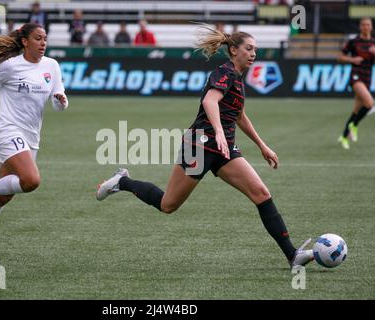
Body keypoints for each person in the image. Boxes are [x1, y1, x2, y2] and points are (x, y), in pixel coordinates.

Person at [96, 25, 313, 269]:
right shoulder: (225, 72)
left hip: (224, 149)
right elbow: (210, 101)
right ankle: (122, 181)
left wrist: (262, 145)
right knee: (168, 205)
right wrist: (219, 131)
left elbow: (239, 116)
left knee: (261, 194)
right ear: (233, 50)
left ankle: (293, 255)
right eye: (249, 49)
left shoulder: (238, 79)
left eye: (256, 50)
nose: (254, 53)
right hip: (198, 145)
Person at [0, 22, 69, 256]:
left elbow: (59, 104)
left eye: (45, 38)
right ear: (25, 41)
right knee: (31, 180)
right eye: (38, 38)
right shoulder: (10, 66)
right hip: (8, 130)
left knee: (5, 195)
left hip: (31, 136)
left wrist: (61, 100)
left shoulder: (52, 66)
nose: (43, 43)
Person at [337, 17, 375, 150]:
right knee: (370, 104)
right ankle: (354, 125)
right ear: (360, 27)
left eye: (368, 25)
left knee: (356, 110)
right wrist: (352, 59)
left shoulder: (373, 44)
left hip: (367, 78)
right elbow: (340, 57)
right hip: (356, 77)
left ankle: (343, 136)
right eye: (363, 25)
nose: (366, 27)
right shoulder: (354, 42)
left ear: (371, 27)